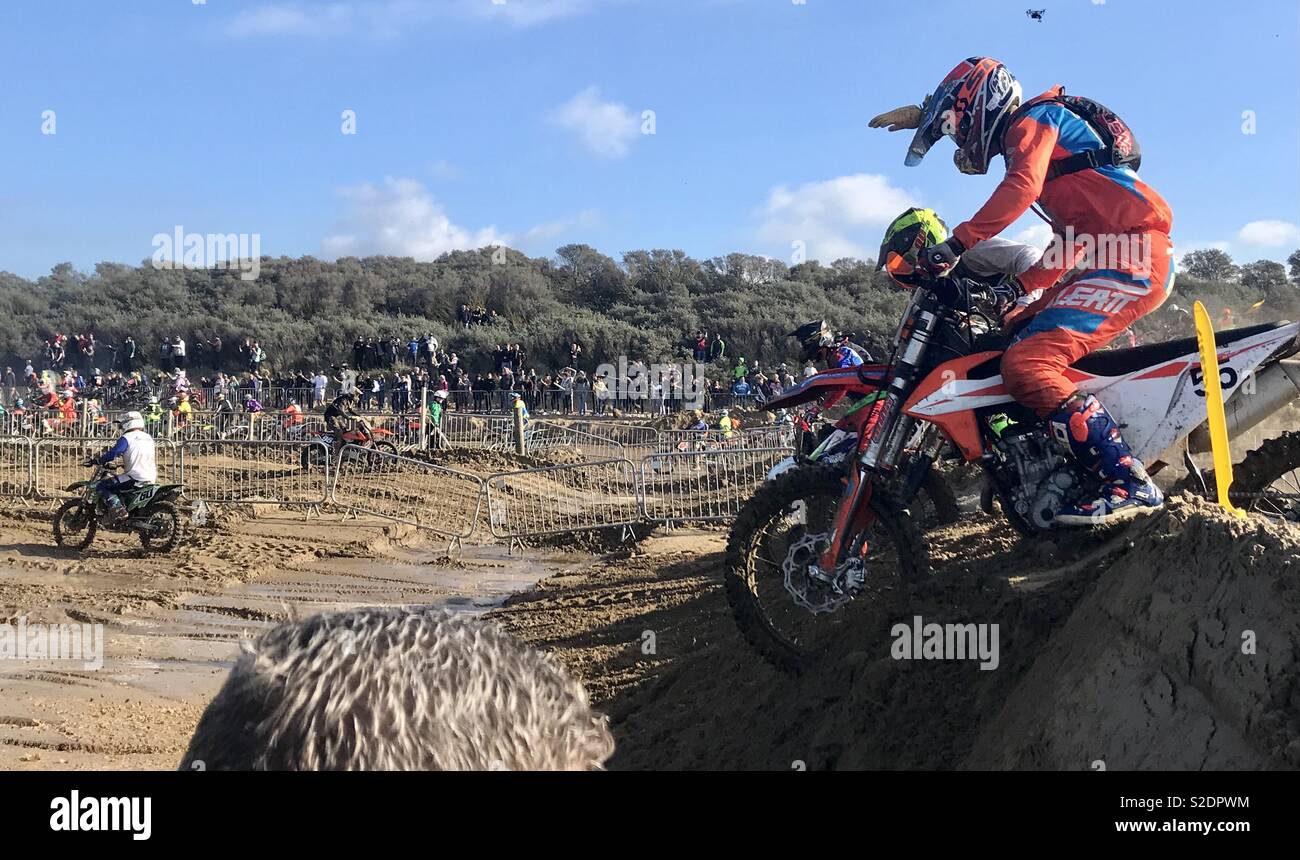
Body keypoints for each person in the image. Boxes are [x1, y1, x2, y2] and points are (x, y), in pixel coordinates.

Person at [871, 57, 1173, 525]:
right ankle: (1056, 469)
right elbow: (1070, 243)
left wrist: (958, 242)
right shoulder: (1057, 165)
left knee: (1027, 364)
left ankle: (1128, 481)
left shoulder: (1033, 121)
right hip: (1114, 254)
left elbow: (1020, 187)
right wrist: (1017, 290)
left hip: (1133, 255)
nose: (957, 139)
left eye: (955, 126)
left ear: (979, 104)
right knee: (1013, 332)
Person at [94, 411, 157, 524]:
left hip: (134, 477)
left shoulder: (127, 437)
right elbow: (140, 456)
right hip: (150, 476)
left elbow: (114, 453)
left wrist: (99, 460)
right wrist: (122, 464)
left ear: (128, 423)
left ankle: (118, 510)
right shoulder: (148, 437)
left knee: (102, 485)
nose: (121, 426)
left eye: (122, 424)